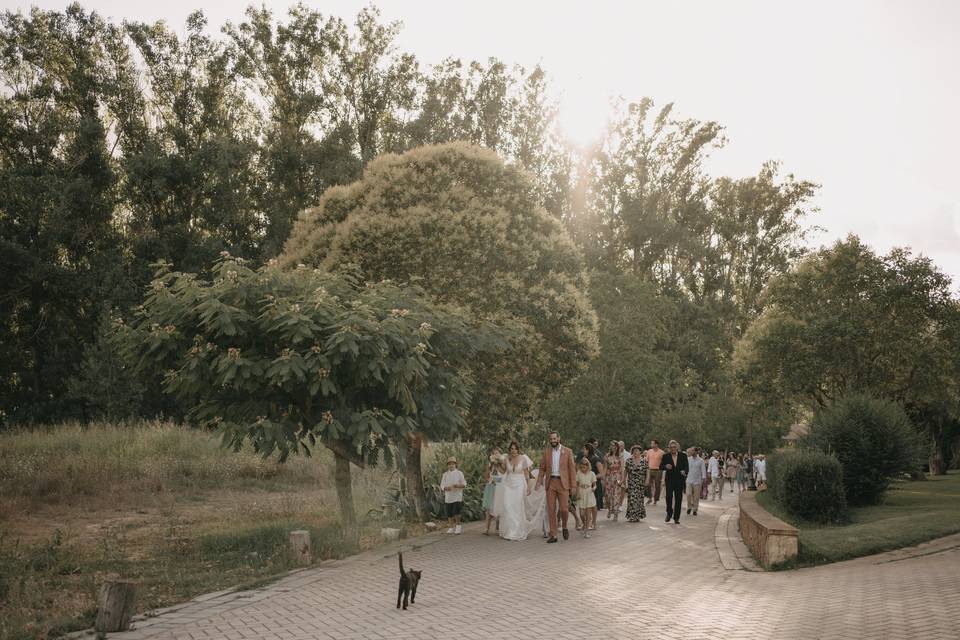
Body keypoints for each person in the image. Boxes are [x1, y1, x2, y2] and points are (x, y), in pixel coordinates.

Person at [536, 431, 577, 543]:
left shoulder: (568, 451)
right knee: (551, 509)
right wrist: (539, 481)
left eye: (554, 438)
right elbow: (542, 468)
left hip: (563, 483)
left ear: (559, 438)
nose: (553, 441)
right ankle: (553, 534)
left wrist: (573, 485)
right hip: (551, 483)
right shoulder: (546, 452)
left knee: (564, 509)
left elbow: (572, 470)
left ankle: (564, 526)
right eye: (551, 439)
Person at [497, 442, 533, 540]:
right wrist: (496, 464)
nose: (513, 451)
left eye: (515, 449)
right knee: (508, 507)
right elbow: (503, 471)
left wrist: (529, 487)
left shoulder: (523, 459)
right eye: (511, 449)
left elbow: (526, 474)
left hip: (519, 485)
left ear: (518, 449)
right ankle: (509, 531)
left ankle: (517, 531)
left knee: (517, 508)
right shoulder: (506, 459)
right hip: (508, 485)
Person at [662, 440, 688, 524]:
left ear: (677, 447)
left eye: (674, 447)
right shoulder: (666, 456)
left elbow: (686, 467)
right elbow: (660, 466)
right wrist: (665, 466)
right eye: (671, 447)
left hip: (679, 480)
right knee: (668, 497)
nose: (672, 449)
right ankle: (669, 513)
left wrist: (684, 471)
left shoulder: (683, 456)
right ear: (669, 448)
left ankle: (676, 517)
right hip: (669, 480)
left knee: (678, 499)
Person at [440, 456, 466, 534]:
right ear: (447, 465)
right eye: (449, 464)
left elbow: (464, 484)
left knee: (456, 512)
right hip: (448, 496)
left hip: (457, 496)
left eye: (452, 464)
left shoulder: (459, 473)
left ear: (455, 465)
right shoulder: (445, 474)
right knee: (449, 513)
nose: (451, 465)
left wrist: (457, 486)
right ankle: (451, 527)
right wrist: (445, 488)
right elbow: (442, 485)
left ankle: (458, 527)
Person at [624, 445, 648, 522]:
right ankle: (631, 516)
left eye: (637, 451)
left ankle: (637, 515)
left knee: (639, 499)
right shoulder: (629, 460)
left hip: (640, 483)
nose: (635, 452)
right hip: (632, 482)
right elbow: (625, 471)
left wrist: (647, 480)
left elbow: (648, 471)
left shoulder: (644, 461)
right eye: (634, 451)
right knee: (632, 499)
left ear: (640, 452)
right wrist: (623, 480)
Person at [482, 446, 503, 535]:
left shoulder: (502, 465)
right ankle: (487, 528)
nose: (495, 455)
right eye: (494, 453)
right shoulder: (490, 466)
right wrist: (490, 480)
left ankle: (498, 527)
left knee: (499, 507)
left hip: (499, 487)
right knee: (489, 508)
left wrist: (498, 464)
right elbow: (486, 476)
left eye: (497, 453)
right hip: (491, 487)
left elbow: (504, 475)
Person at [575, 458, 597, 537]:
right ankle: (584, 524)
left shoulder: (592, 474)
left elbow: (594, 484)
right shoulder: (578, 473)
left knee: (588, 513)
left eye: (585, 465)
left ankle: (587, 531)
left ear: (588, 466)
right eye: (582, 465)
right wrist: (577, 493)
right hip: (581, 493)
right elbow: (577, 484)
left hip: (589, 493)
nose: (583, 467)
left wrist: (594, 488)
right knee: (581, 513)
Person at [603, 441, 625, 521]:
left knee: (616, 496)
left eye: (614, 446)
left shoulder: (620, 456)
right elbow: (605, 468)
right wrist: (603, 478)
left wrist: (623, 479)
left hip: (617, 477)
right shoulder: (607, 456)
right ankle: (609, 510)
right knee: (608, 496)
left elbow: (622, 468)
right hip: (609, 477)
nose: (613, 447)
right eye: (611, 446)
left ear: (617, 447)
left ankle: (615, 514)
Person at [685, 447, 706, 516]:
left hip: (697, 481)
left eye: (692, 451)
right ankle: (689, 507)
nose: (691, 452)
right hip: (689, 480)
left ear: (696, 452)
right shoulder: (688, 459)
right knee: (688, 494)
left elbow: (703, 470)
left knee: (696, 496)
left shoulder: (701, 460)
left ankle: (695, 509)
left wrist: (703, 478)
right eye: (690, 451)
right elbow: (685, 468)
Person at [645, 439, 664, 505]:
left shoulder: (661, 452)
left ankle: (656, 499)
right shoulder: (649, 451)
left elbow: (663, 462)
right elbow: (646, 461)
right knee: (647, 484)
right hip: (650, 469)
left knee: (657, 485)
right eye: (651, 443)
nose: (651, 445)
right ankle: (650, 498)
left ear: (656, 444)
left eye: (653, 443)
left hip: (658, 470)